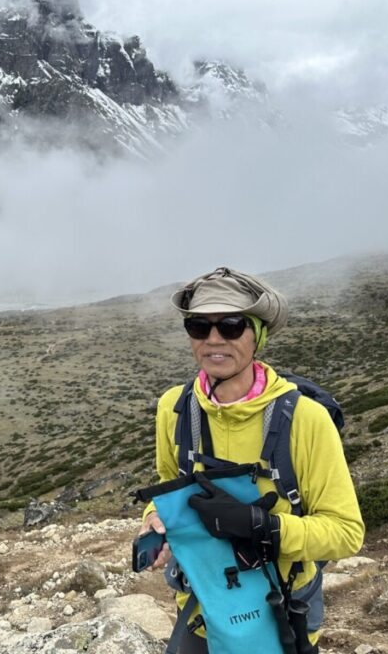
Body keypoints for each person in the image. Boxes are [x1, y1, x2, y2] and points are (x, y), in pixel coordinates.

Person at [139, 267, 364, 653]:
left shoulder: (306, 419)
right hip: (201, 607)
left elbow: (346, 533)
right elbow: (168, 482)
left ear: (258, 334)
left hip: (279, 614)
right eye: (199, 326)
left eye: (231, 325)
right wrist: (155, 520)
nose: (213, 339)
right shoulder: (173, 408)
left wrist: (263, 527)